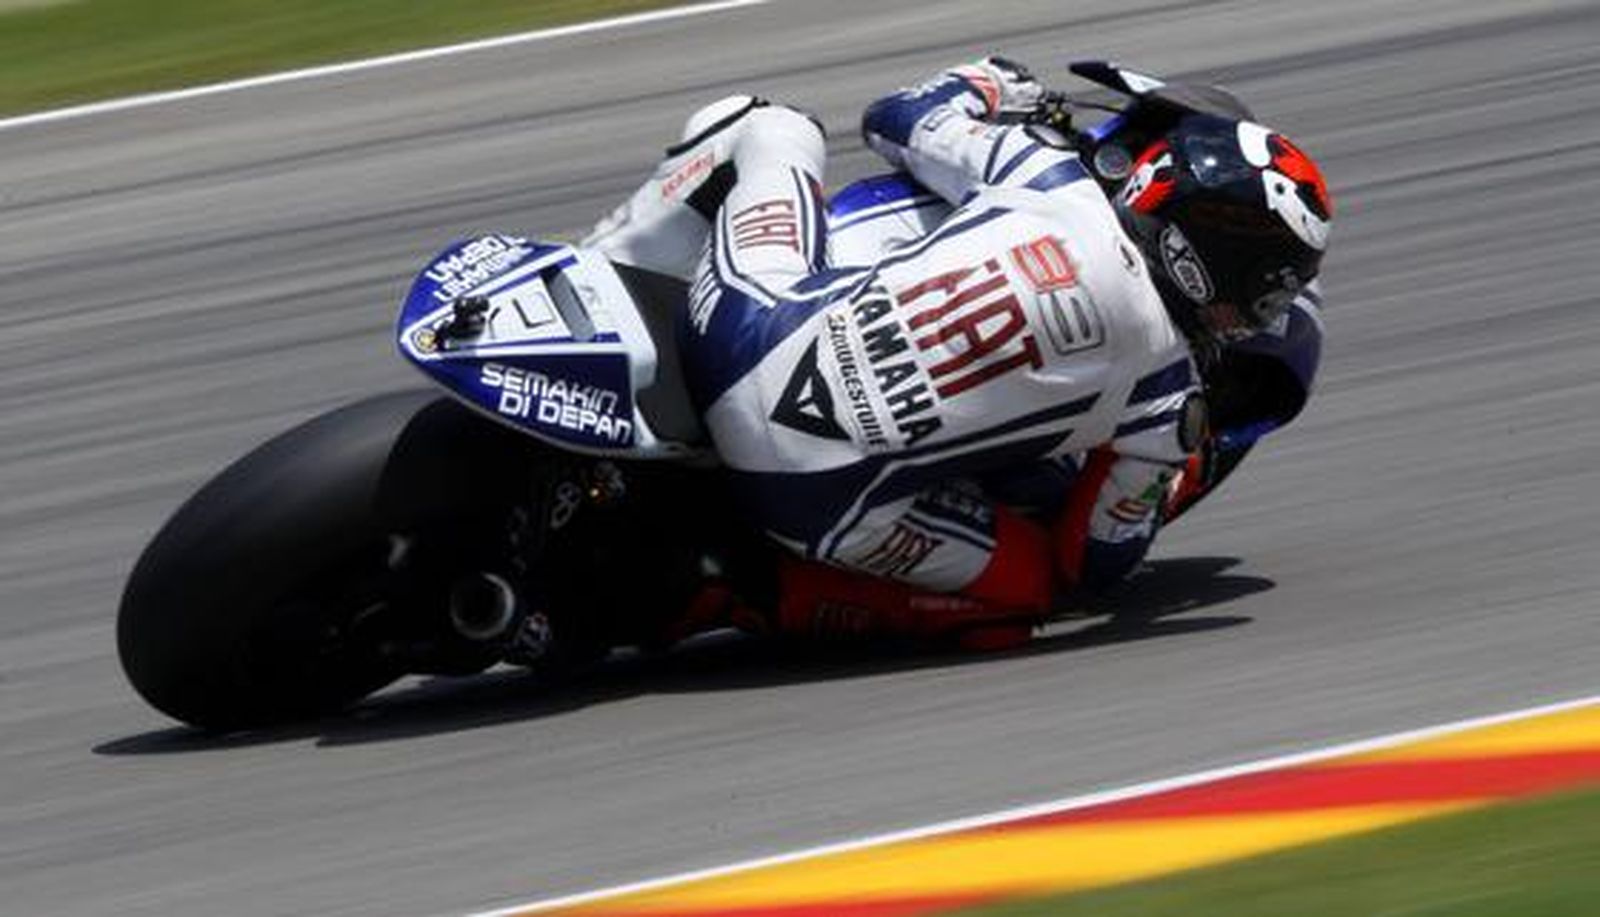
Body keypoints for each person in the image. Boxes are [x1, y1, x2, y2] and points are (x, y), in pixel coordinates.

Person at [583, 57, 1332, 648]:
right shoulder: (1169, 397)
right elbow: (1093, 565)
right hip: (808, 499)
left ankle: (591, 272)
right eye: (1263, 295)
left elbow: (894, 118)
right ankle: (745, 593)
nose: (1252, 314)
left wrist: (983, 83)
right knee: (1029, 591)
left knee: (770, 127)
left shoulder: (1050, 175)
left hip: (741, 333)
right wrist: (1156, 479)